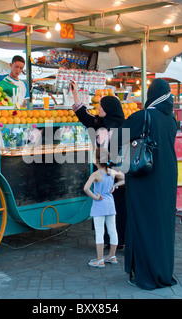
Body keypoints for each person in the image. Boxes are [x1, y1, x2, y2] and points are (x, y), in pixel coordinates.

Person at [117, 78, 178, 290]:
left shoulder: (144, 116)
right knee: (162, 225)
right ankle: (163, 271)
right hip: (167, 177)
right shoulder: (172, 119)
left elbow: (117, 138)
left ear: (151, 94)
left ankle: (146, 274)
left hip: (145, 178)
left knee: (142, 222)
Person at [70, 82, 127, 249]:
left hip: (118, 174)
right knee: (103, 205)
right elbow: (83, 114)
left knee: (119, 207)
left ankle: (120, 240)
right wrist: (75, 94)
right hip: (102, 173)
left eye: (101, 106)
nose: (98, 109)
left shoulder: (125, 126)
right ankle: (109, 241)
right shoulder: (98, 124)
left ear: (109, 108)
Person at [83, 147, 125, 268]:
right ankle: (112, 256)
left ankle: (100, 260)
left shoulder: (95, 174)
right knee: (113, 230)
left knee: (100, 232)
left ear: (96, 161)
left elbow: (86, 188)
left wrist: (95, 197)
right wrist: (115, 185)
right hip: (110, 206)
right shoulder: (112, 172)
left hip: (99, 207)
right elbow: (125, 178)